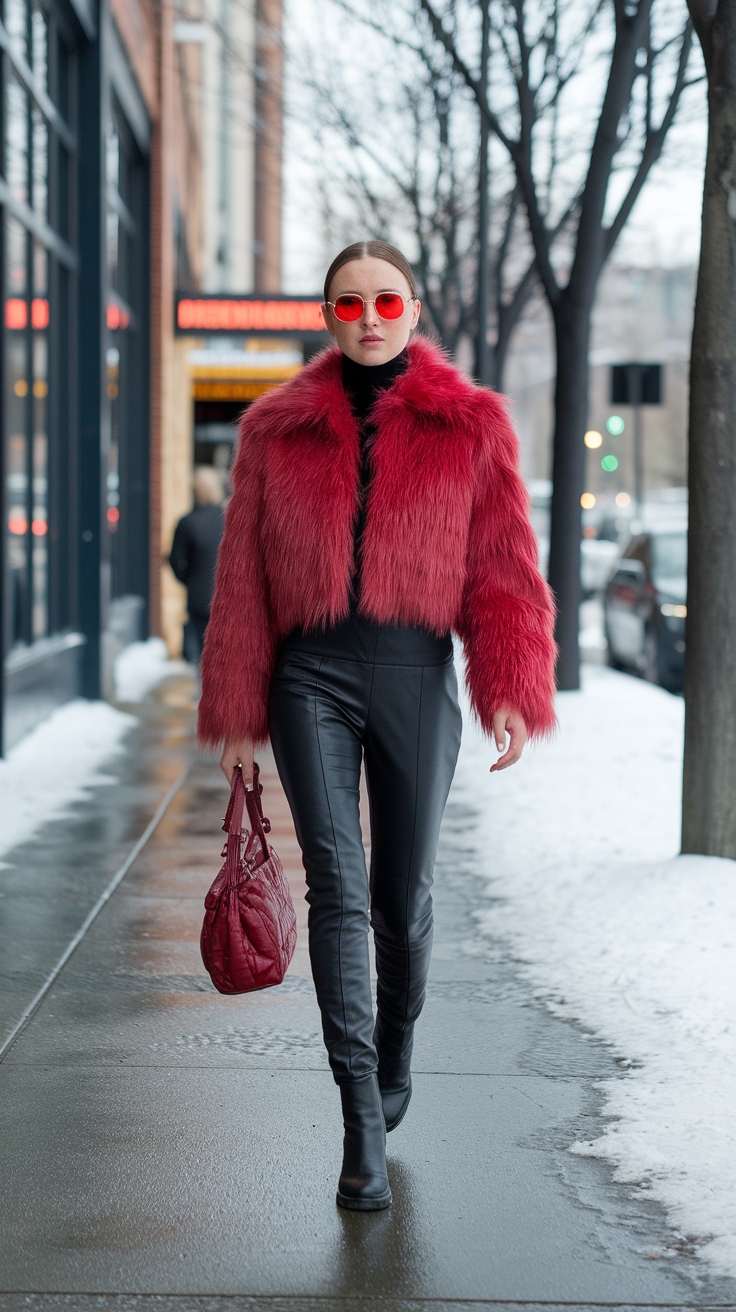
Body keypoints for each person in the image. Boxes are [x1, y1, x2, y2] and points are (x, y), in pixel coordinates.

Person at [198, 240, 556, 1211]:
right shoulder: (275, 429)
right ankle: (358, 1118)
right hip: (308, 672)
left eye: (384, 300)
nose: (367, 317)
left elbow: (504, 569)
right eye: (348, 302)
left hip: (412, 672)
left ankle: (394, 1049)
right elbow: (240, 579)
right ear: (326, 314)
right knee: (339, 889)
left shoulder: (470, 425)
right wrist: (236, 707)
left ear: (411, 309)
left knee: (402, 897)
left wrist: (512, 684)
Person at [170, 466, 225, 669]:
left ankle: (202, 689)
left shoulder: (187, 523)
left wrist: (189, 579)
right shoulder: (231, 520)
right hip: (228, 595)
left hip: (198, 598)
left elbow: (175, 561)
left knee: (202, 653)